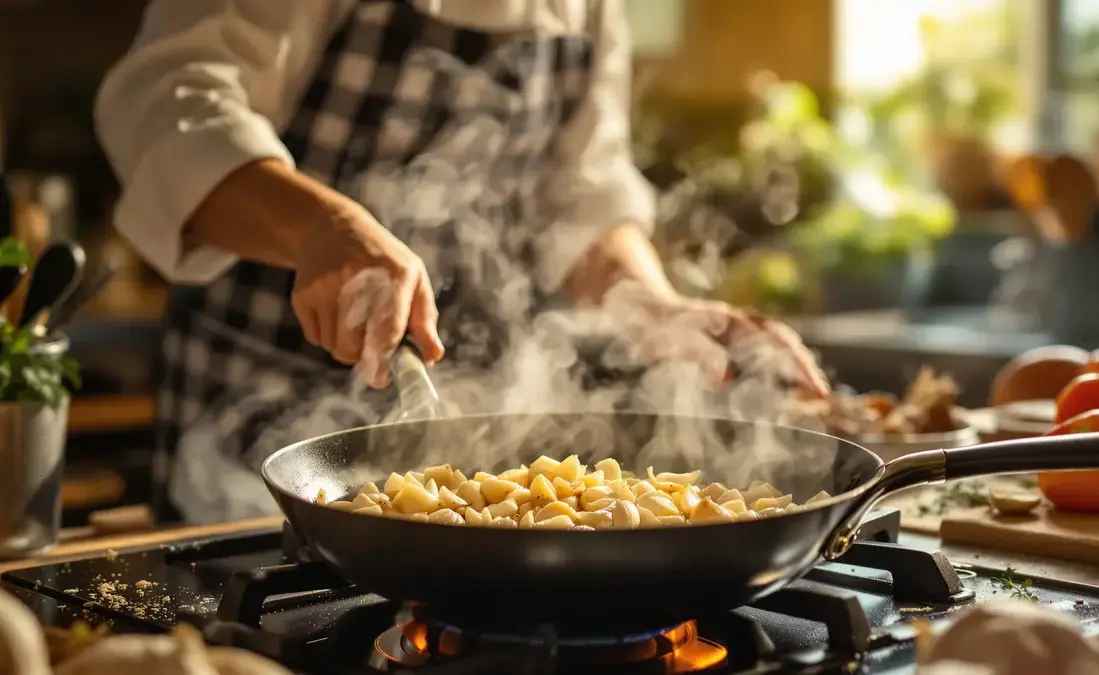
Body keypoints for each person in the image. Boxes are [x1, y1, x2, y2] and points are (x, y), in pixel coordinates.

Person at [95, 0, 829, 523]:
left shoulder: (589, 9)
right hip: (253, 432)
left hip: (466, 414)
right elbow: (164, 107)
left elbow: (581, 202)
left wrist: (653, 305)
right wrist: (326, 227)